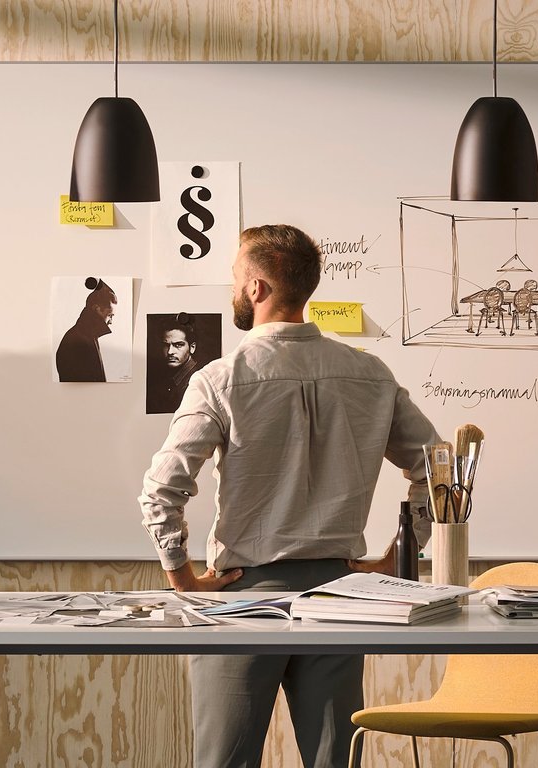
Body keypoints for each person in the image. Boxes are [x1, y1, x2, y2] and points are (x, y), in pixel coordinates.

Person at [137, 224, 439, 768]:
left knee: (224, 761)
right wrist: (402, 554)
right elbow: (440, 470)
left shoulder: (221, 379)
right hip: (343, 595)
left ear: (255, 287)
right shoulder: (370, 374)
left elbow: (162, 489)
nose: (232, 288)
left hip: (242, 596)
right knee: (333, 759)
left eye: (234, 276)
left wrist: (181, 575)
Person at [56, 277, 117, 382]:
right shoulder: (79, 340)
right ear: (97, 309)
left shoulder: (83, 336)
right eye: (110, 315)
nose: (111, 321)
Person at [146, 313, 199, 413]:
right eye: (166, 345)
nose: (170, 352)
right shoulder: (165, 378)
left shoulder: (197, 381)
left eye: (178, 345)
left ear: (192, 347)